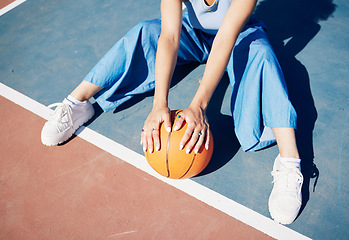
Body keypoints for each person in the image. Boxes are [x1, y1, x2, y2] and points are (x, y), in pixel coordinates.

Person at [41, 0, 303, 225]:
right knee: (146, 31)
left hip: (238, 37)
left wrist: (199, 106)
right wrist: (159, 105)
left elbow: (225, 36)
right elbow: (169, 36)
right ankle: (78, 103)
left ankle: (289, 163)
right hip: (194, 35)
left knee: (262, 55)